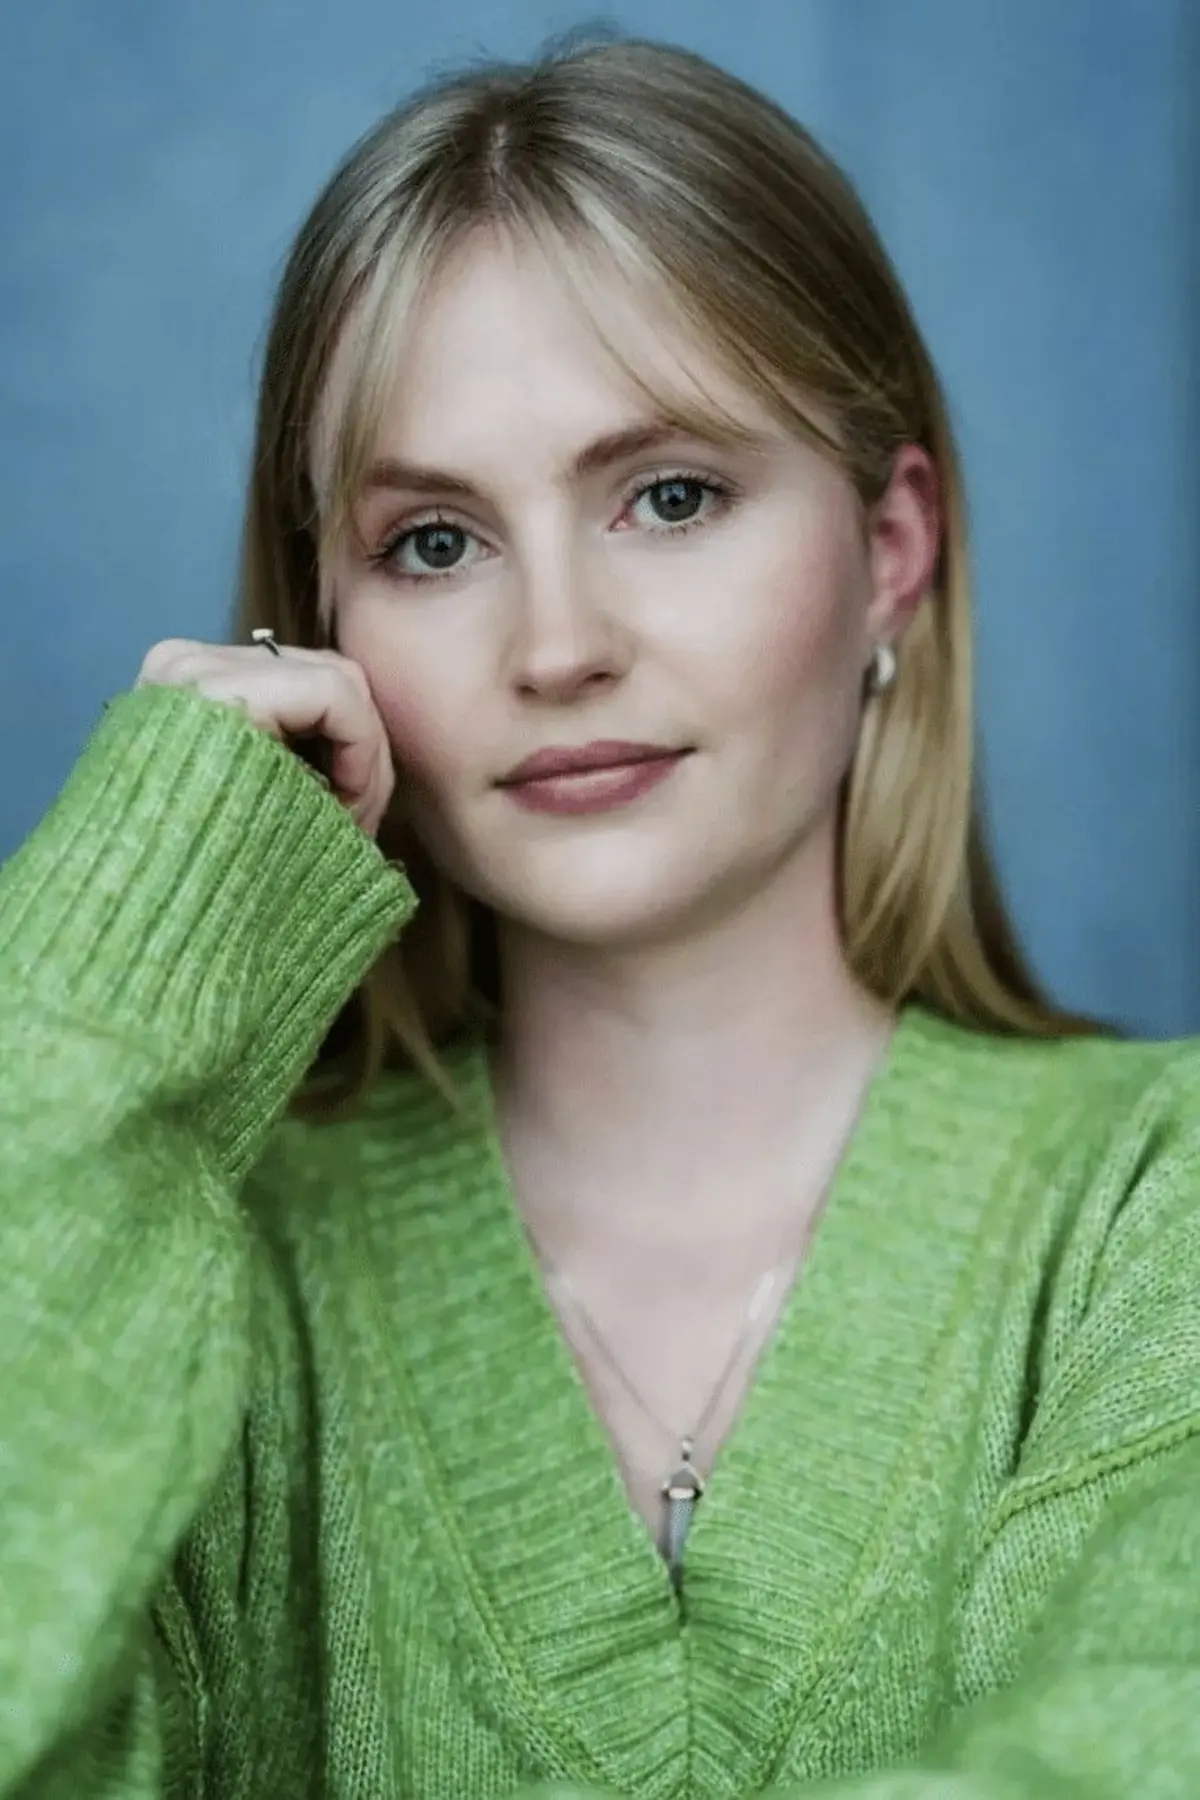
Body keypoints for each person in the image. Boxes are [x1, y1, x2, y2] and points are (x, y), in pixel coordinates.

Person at [2, 25, 1198, 1800]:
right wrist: (116, 953)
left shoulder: (1157, 1210)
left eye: (670, 496)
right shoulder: (190, 1272)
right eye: (434, 541)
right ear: (322, 625)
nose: (558, 646)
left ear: (890, 550)